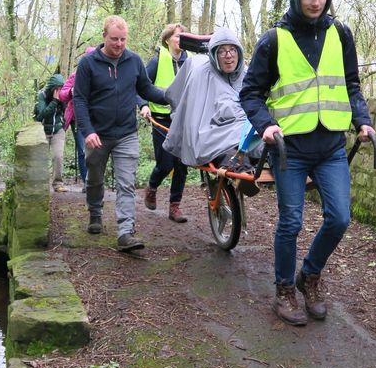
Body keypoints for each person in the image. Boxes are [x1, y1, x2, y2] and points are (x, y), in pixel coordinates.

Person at [240, 0, 376, 326]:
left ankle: (309, 275)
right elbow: (250, 92)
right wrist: (266, 126)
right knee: (291, 223)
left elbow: (351, 84)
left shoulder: (340, 34)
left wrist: (362, 120)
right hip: (291, 149)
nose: (316, 2)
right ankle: (284, 289)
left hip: (331, 144)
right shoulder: (274, 40)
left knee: (340, 217)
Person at [73, 15, 168, 252]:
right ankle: (95, 212)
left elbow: (146, 89)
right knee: (95, 178)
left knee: (126, 184)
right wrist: (88, 131)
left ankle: (126, 232)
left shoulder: (134, 61)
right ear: (104, 36)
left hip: (126, 133)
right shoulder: (88, 63)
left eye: (123, 39)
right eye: (114, 39)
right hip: (98, 134)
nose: (119, 44)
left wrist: (171, 96)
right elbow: (80, 99)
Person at [162, 27, 248, 167]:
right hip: (215, 132)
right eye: (222, 51)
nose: (228, 55)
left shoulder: (247, 74)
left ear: (239, 52)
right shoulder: (201, 74)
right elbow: (193, 116)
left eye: (232, 49)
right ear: (214, 54)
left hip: (246, 131)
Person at [138, 23, 190, 223]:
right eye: (177, 36)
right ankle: (152, 187)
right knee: (166, 163)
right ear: (167, 39)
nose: (181, 39)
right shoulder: (157, 61)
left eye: (183, 36)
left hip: (184, 119)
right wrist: (143, 105)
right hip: (161, 119)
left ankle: (174, 206)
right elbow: (139, 86)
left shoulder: (192, 61)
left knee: (182, 164)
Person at [59, 46, 96, 192]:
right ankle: (87, 182)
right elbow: (62, 94)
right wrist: (71, 91)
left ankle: (94, 180)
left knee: (96, 151)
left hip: (97, 118)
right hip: (79, 118)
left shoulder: (102, 75)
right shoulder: (75, 76)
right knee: (82, 150)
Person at [34, 72, 68, 192]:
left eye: (61, 88)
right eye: (57, 89)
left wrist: (64, 124)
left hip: (58, 130)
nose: (59, 91)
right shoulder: (42, 95)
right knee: (40, 158)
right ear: (52, 88)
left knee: (58, 156)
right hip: (43, 130)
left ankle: (58, 184)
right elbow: (41, 115)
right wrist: (54, 101)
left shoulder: (63, 96)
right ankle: (39, 184)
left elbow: (67, 111)